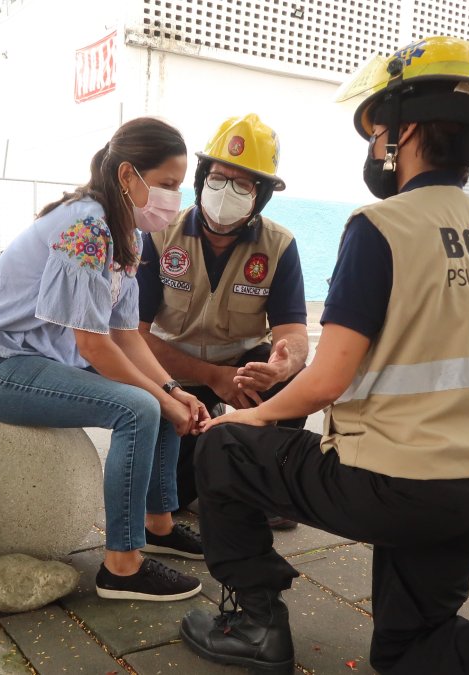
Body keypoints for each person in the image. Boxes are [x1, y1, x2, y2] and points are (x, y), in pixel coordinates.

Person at [178, 37, 469, 674]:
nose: (373, 149)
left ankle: (255, 624)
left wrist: (243, 419)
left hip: (399, 485)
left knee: (224, 449)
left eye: (378, 133)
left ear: (407, 131)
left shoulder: (381, 226)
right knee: (408, 651)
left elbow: (327, 380)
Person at [0, 117, 211, 602]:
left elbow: (125, 334)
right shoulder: (86, 226)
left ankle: (158, 524)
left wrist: (174, 391)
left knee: (165, 400)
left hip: (39, 359)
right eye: (167, 184)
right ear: (129, 176)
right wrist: (159, 398)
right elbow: (92, 345)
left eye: (178, 186)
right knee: (140, 407)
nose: (175, 198)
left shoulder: (127, 233)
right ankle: (122, 567)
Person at [136, 114, 309, 530]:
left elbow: (293, 333)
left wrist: (284, 363)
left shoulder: (279, 246)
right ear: (200, 178)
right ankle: (206, 460)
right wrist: (212, 377)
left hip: (242, 370)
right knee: (169, 496)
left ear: (262, 193)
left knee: (293, 383)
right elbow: (136, 338)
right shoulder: (160, 235)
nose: (224, 191)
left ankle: (262, 488)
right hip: (172, 373)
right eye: (217, 178)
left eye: (242, 184)